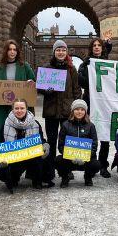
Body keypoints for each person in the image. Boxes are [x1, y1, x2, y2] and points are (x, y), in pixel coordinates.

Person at [38, 40, 82, 183]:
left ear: (66, 52)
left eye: (63, 50)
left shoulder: (71, 69)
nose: (61, 52)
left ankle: (66, 170)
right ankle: (50, 171)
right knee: (51, 141)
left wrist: (75, 107)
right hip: (51, 111)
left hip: (66, 111)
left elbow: (77, 90)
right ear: (54, 52)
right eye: (58, 50)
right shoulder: (47, 67)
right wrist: (46, 90)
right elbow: (39, 88)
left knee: (67, 142)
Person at [0, 98, 50, 193]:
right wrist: (1, 158)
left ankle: (37, 180)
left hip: (31, 157)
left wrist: (45, 144)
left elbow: (41, 140)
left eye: (22, 108)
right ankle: (13, 178)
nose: (19, 111)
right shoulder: (5, 124)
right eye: (16, 108)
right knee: (8, 176)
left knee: (44, 155)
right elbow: (0, 143)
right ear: (13, 109)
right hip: (14, 158)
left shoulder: (35, 124)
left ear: (27, 109)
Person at [77, 37, 112, 178]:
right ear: (91, 48)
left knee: (105, 134)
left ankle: (103, 165)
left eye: (99, 45)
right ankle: (90, 163)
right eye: (94, 46)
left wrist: (109, 44)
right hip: (90, 101)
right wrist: (86, 68)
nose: (97, 47)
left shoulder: (108, 63)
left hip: (105, 102)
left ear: (102, 48)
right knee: (89, 133)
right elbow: (82, 82)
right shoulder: (85, 64)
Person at [0, 39, 36, 140]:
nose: (12, 52)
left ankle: (22, 154)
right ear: (6, 51)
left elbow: (33, 81)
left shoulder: (25, 66)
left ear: (17, 52)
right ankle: (1, 154)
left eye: (14, 49)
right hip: (3, 107)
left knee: (20, 132)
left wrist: (30, 82)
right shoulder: (0, 68)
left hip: (19, 106)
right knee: (2, 132)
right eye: (10, 49)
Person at [54, 100, 101, 187]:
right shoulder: (65, 125)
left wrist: (86, 156)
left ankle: (88, 177)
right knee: (58, 160)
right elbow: (61, 145)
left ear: (85, 112)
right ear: (72, 111)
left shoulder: (91, 126)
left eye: (82, 110)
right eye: (77, 109)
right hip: (69, 158)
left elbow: (94, 145)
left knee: (96, 164)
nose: (79, 112)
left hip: (86, 159)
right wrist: (70, 156)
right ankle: (65, 177)